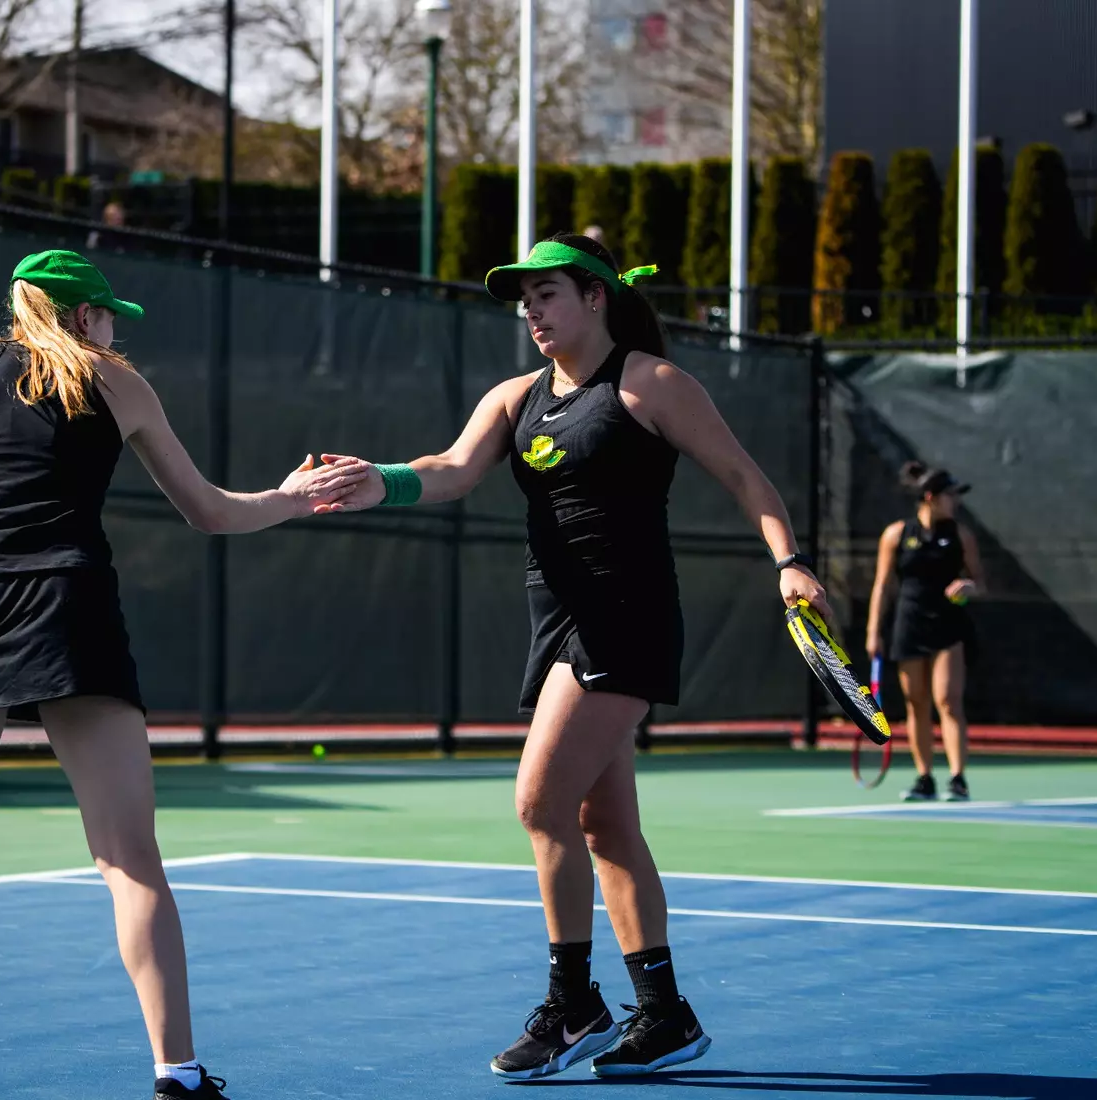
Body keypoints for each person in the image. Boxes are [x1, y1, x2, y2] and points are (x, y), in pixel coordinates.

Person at [0, 249, 366, 1100]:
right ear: (84, 315)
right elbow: (211, 512)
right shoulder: (121, 385)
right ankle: (178, 1074)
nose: (114, 330)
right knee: (129, 858)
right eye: (110, 315)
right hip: (74, 610)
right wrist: (295, 498)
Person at [312, 232, 830, 1079]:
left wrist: (790, 562)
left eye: (546, 293)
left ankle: (574, 1003)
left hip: (624, 616)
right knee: (604, 824)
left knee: (539, 802)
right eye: (524, 300)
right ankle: (664, 1015)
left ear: (595, 296)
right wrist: (383, 480)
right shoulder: (515, 397)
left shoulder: (651, 383)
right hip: (555, 619)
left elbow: (743, 475)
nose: (532, 311)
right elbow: (451, 468)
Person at [864, 462, 984, 803]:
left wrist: (968, 587)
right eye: (950, 495)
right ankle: (925, 778)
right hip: (909, 623)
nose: (955, 501)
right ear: (931, 497)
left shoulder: (961, 535)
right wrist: (874, 631)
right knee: (916, 703)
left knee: (948, 699)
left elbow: (980, 581)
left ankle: (958, 779)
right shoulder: (896, 534)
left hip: (948, 624)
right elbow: (882, 585)